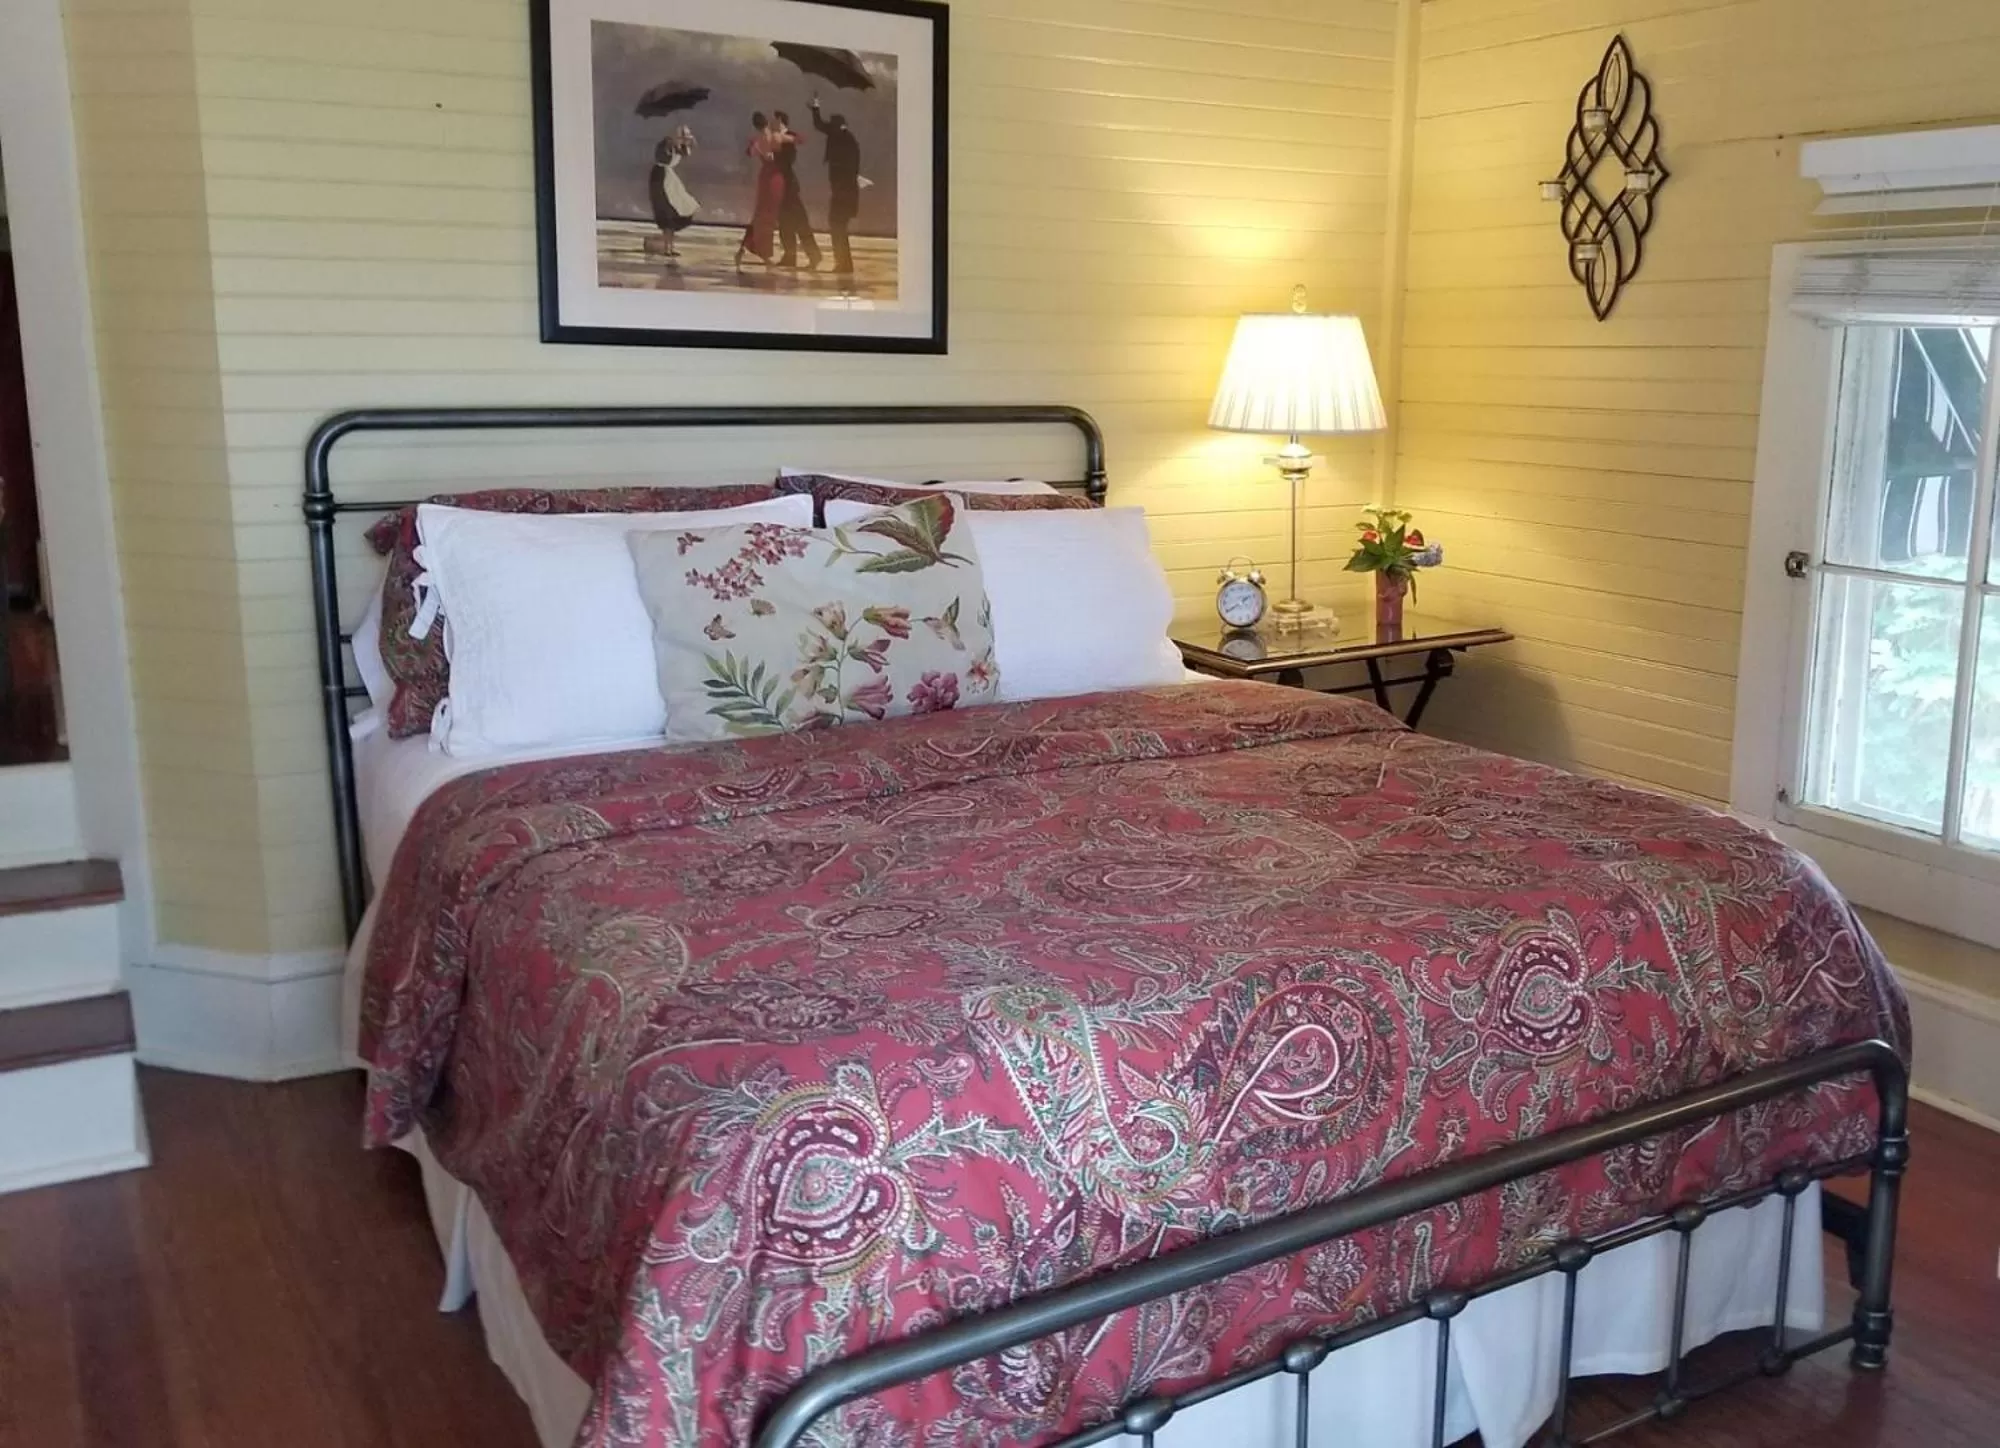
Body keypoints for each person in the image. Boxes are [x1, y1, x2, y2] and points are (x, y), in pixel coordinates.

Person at [809, 97, 861, 276]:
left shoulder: (842, 139)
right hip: (845, 192)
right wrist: (816, 107)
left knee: (837, 226)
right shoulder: (846, 138)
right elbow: (821, 125)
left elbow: (821, 126)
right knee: (838, 227)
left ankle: (844, 264)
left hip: (843, 193)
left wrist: (816, 108)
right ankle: (844, 263)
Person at [771, 111, 821, 271]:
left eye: (775, 120)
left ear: (780, 120)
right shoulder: (773, 137)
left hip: (789, 185)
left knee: (801, 222)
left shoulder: (789, 136)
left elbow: (799, 142)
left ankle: (814, 255)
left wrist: (785, 140)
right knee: (784, 223)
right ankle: (789, 256)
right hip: (779, 185)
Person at [735, 112, 783, 268]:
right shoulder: (775, 136)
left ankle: (746, 250)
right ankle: (763, 254)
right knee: (766, 217)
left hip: (766, 178)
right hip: (774, 179)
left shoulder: (758, 140)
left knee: (761, 216)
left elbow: (750, 153)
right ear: (767, 122)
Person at [645, 126, 698, 260]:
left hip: (669, 178)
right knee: (667, 210)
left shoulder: (679, 147)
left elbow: (686, 152)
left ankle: (669, 247)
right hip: (661, 179)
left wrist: (688, 143)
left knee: (676, 210)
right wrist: (676, 144)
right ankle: (667, 248)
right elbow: (663, 157)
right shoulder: (667, 144)